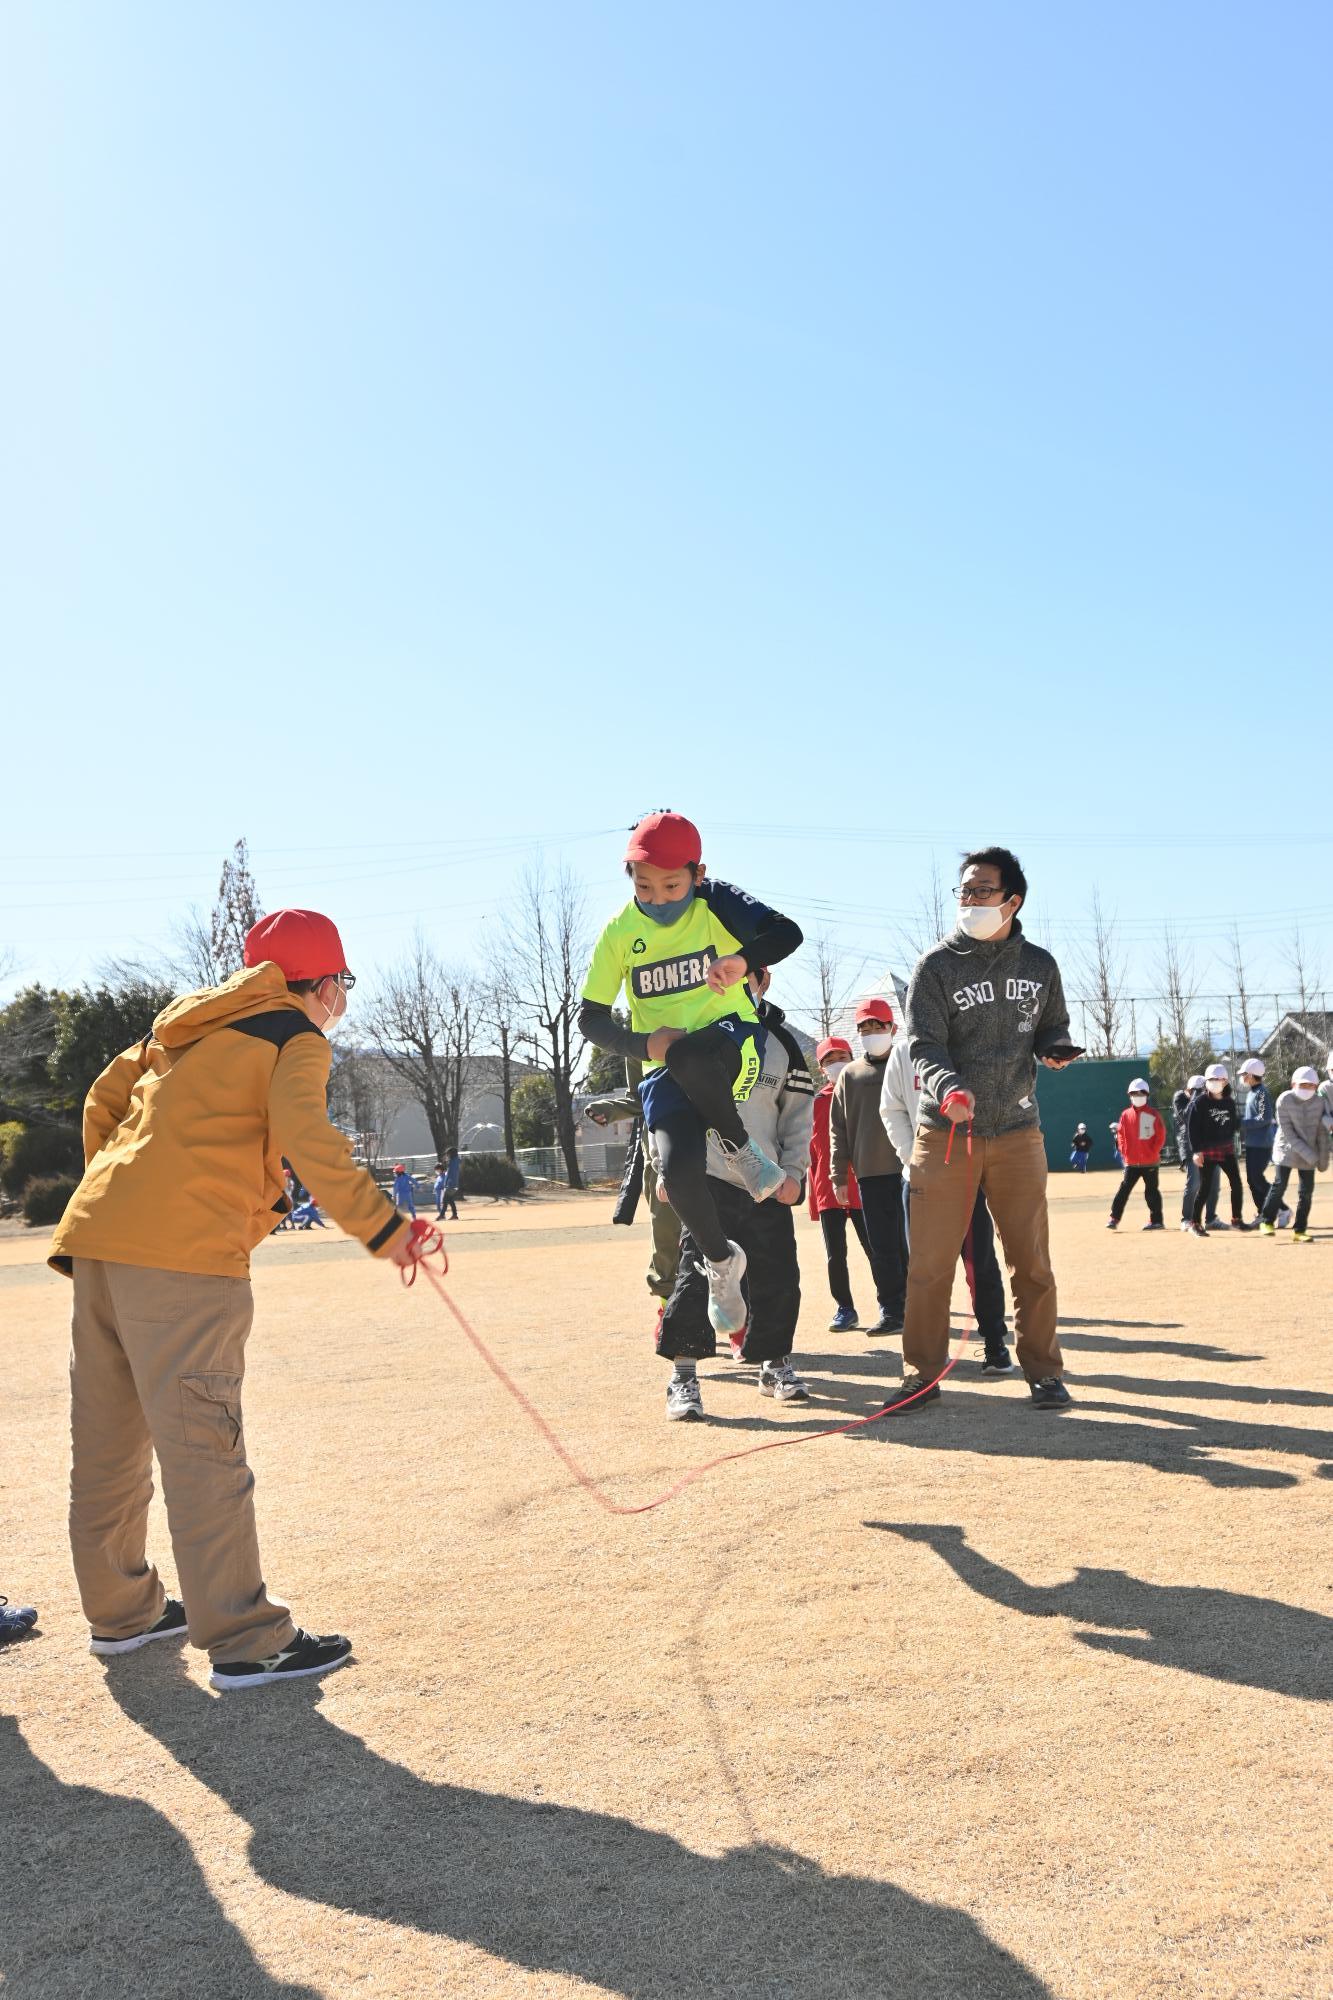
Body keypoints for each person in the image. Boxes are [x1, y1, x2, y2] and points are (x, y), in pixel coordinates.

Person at [50, 907, 415, 1691]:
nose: (341, 1001)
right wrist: (384, 1227)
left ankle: (123, 1613)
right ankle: (247, 1639)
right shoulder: (295, 1034)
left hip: (98, 1236)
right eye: (342, 984)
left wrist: (119, 1193)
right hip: (186, 1254)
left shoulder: (183, 1030)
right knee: (203, 1443)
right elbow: (306, 1134)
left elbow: (100, 1101)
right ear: (319, 984)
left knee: (108, 1440)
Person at [577, 811, 803, 1417]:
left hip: (732, 1042)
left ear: (697, 875)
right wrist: (640, 1045)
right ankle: (721, 1260)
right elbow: (591, 1016)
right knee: (676, 1173)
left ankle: (741, 1151)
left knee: (695, 1053)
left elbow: (787, 933)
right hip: (664, 1066)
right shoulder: (620, 932)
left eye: (672, 887)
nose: (659, 900)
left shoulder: (717, 901)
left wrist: (738, 961)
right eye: (643, 886)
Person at [896, 846, 1079, 1412]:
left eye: (982, 891)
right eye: (965, 891)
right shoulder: (936, 966)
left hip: (1019, 1131)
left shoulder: (1041, 965)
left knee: (1032, 1264)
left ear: (1012, 900)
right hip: (947, 1134)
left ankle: (1044, 1372)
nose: (970, 900)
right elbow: (922, 1043)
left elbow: (1052, 1025)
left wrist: (1054, 1049)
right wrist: (948, 1087)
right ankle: (920, 1375)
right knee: (929, 1265)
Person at [654, 965, 815, 1415]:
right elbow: (662, 1112)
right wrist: (665, 1169)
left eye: (751, 976)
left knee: (779, 1275)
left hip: (765, 1184)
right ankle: (683, 1376)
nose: (741, 985)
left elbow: (799, 1119)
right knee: (696, 1272)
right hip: (705, 1179)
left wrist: (794, 1174)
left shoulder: (784, 1046)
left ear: (763, 981)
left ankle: (774, 1363)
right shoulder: (693, 1036)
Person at [880, 1020, 1013, 1373]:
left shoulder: (973, 1044)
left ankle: (996, 1344)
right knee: (924, 1272)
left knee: (979, 1263)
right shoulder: (903, 1053)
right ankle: (926, 1361)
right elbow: (891, 1108)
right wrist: (913, 1157)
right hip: (920, 1179)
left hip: (967, 1176)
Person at [828, 999, 908, 1337]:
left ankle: (923, 1307)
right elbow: (838, 1129)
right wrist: (838, 1174)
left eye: (878, 1026)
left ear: (893, 1028)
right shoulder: (851, 1074)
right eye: (865, 1028)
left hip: (909, 1171)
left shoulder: (907, 1066)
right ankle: (892, 1311)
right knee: (882, 1247)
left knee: (914, 1245)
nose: (871, 1033)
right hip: (869, 1175)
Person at [588, 1062, 682, 1311]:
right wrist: (614, 1109)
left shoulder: (716, 1025)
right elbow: (640, 1096)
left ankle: (733, 1318)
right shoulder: (637, 1038)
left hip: (714, 1145)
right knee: (666, 1234)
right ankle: (668, 1311)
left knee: (720, 1234)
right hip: (657, 1149)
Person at [808, 1036, 875, 1332]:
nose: (837, 1064)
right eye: (829, 1060)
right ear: (821, 1068)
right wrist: (816, 1194)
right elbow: (811, 1150)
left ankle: (893, 1301)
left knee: (877, 1247)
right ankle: (845, 1308)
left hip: (864, 1184)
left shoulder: (868, 1092)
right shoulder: (816, 1103)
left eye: (842, 1057)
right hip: (828, 1188)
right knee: (836, 1254)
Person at [1258, 1067, 1328, 1241]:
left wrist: (1323, 1158)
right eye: (1303, 1085)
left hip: (1310, 1149)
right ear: (1293, 1084)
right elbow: (1289, 1134)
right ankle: (1266, 1221)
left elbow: (1321, 1131)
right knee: (1280, 1184)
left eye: (1311, 1085)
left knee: (1306, 1192)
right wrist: (1312, 1156)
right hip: (1286, 1149)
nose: (1307, 1089)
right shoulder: (1284, 1099)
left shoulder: (1319, 1102)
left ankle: (1300, 1230)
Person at [1185, 1063, 1250, 1237]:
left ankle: (1237, 1219)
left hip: (1226, 1149)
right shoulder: (1199, 1102)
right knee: (1205, 1188)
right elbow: (1192, 1128)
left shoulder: (1229, 1102)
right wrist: (1196, 1151)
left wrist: (1247, 1124)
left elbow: (1233, 1124)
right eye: (1211, 1079)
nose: (1215, 1082)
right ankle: (1195, 1223)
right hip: (1207, 1151)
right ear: (1206, 1081)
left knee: (1236, 1183)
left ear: (1225, 1081)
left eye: (1219, 1079)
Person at [1106, 1079, 1166, 1230]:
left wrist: (1153, 1151)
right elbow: (1120, 1134)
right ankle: (1114, 1218)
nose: (1137, 1096)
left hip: (1150, 1162)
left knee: (1151, 1192)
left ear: (1146, 1095)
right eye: (1134, 1093)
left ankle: (1156, 1221)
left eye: (1141, 1093)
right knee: (1123, 1190)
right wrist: (1123, 1149)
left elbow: (1160, 1135)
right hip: (1131, 1162)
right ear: (1130, 1096)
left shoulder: (1153, 1114)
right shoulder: (1125, 1115)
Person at [1174, 1075, 1220, 1230]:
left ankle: (1211, 1219)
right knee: (1194, 1184)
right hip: (1191, 1148)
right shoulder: (1179, 1097)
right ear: (1188, 1090)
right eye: (1196, 1091)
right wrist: (1194, 1096)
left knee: (1214, 1184)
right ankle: (1186, 1219)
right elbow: (1186, 1116)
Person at [1238, 1057, 1278, 1217]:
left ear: (1252, 1075)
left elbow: (1265, 1118)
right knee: (1252, 1179)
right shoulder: (1252, 1092)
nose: (1242, 1077)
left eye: (1244, 1074)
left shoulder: (1261, 1093)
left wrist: (1242, 1123)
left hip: (1262, 1144)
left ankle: (1281, 1208)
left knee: (1257, 1178)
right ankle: (1263, 1212)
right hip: (1252, 1143)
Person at [435, 1148, 461, 1221]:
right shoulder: (456, 1160)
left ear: (451, 1154)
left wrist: (446, 1184)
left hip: (451, 1184)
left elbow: (449, 1174)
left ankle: (442, 1215)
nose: (447, 1155)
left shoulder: (452, 1161)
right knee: (450, 1200)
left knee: (445, 1200)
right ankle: (454, 1215)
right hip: (455, 1184)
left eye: (448, 1154)